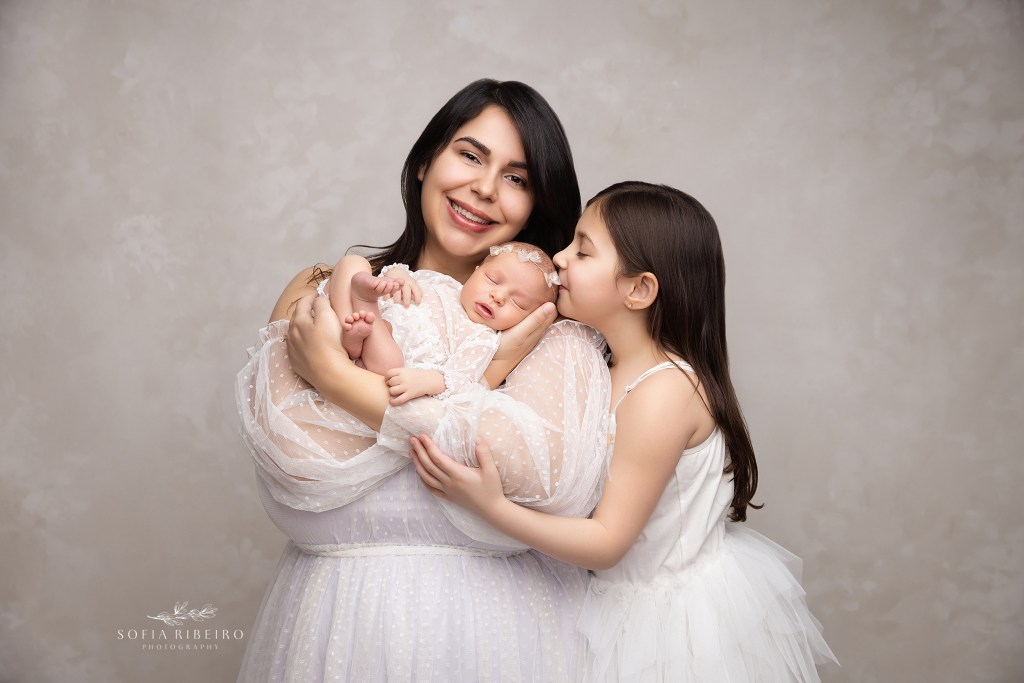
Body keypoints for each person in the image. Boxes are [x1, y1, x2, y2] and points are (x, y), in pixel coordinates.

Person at [236, 79, 611, 682]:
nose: (485, 189)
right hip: (333, 624)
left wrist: (335, 379)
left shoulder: (555, 327)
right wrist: (474, 402)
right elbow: (293, 454)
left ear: (536, 204)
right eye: (469, 155)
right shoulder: (326, 285)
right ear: (421, 163)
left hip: (505, 635)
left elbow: (542, 475)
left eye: (517, 177)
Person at [409, 181, 839, 682]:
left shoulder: (665, 392)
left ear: (639, 289)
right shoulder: (597, 362)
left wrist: (492, 508)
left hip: (666, 626)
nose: (560, 259)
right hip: (604, 601)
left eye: (583, 251)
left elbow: (608, 540)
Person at [320, 241, 560, 405]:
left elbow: (461, 379)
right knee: (354, 263)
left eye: (517, 303)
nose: (498, 297)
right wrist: (399, 277)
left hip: (384, 356)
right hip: (370, 319)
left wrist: (425, 381)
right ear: (476, 271)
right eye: (492, 279)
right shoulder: (445, 284)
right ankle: (347, 328)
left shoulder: (483, 338)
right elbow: (407, 278)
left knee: (390, 362)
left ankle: (362, 312)